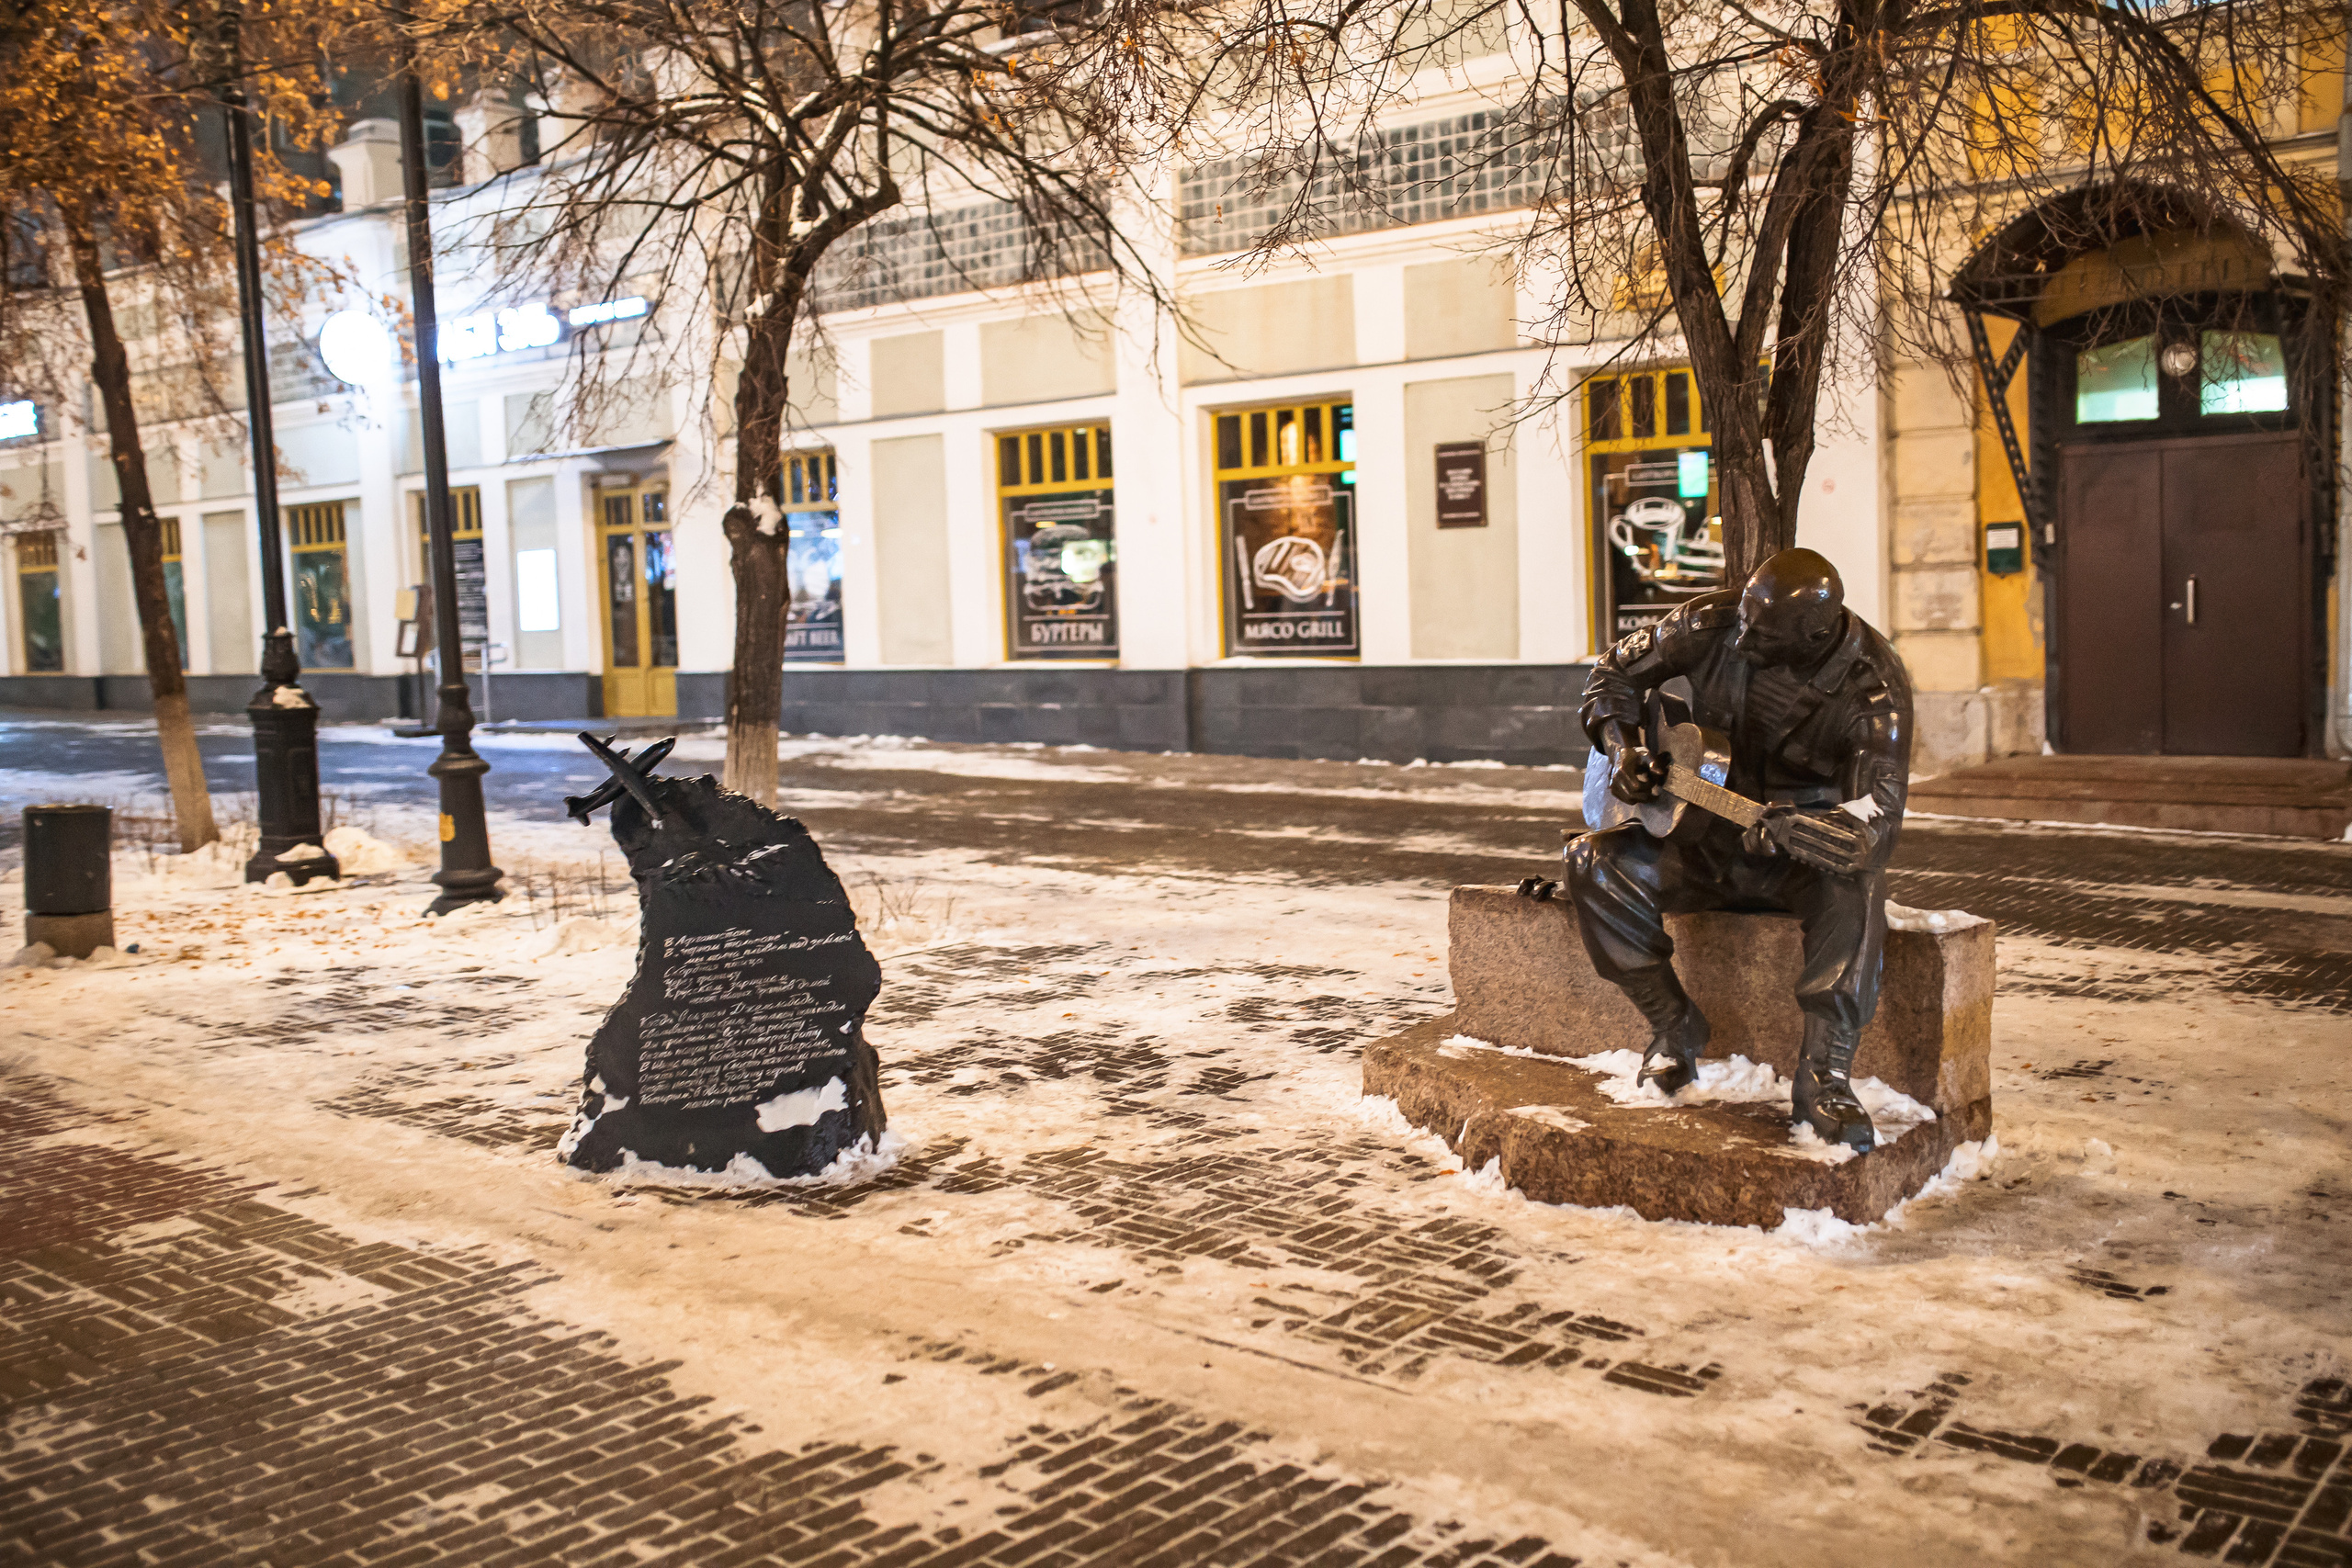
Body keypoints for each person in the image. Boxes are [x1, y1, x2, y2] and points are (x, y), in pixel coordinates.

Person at [1564, 547, 1913, 1149]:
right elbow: (1612, 673)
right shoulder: (1713, 623)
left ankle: (1825, 1077)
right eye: (1745, 617)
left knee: (1856, 888)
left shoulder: (1874, 691)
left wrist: (1814, 831)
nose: (1742, 637)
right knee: (1592, 862)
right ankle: (1674, 1027)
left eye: (1762, 633)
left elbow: (1873, 824)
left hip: (1798, 858)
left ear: (1815, 635)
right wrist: (1622, 746)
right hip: (1699, 838)